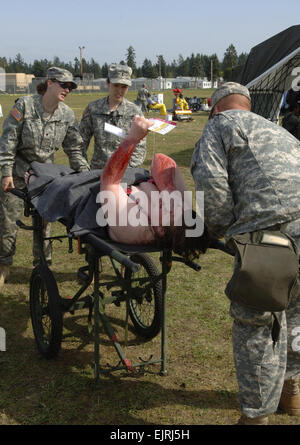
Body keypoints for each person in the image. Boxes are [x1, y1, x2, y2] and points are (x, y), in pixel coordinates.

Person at [191, 82, 300, 425]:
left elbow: (214, 193)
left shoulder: (218, 126)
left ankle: (255, 419)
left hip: (269, 239)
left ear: (214, 107)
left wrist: (214, 232)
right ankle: (292, 392)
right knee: (296, 313)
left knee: (257, 325)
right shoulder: (276, 129)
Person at [25, 116, 209, 260]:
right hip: (125, 182)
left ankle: (34, 178)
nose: (170, 203)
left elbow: (110, 182)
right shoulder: (180, 215)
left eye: (167, 209)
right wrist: (167, 189)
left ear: (160, 230)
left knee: (53, 181)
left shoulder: (132, 225)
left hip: (96, 196)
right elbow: (160, 160)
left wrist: (132, 139)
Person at [0, 66, 90, 290]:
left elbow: (74, 149)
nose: (67, 90)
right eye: (64, 85)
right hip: (18, 174)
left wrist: (86, 174)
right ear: (50, 83)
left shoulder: (66, 114)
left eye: (70, 87)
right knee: (8, 222)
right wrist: (6, 172)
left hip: (43, 176)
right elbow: (8, 141)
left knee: (45, 223)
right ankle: (3, 266)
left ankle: (41, 267)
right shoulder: (25, 106)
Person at [79, 64, 146, 170]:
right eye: (116, 85)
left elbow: (140, 145)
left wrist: (127, 169)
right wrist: (82, 169)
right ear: (108, 83)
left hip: (124, 173)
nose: (119, 91)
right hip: (97, 173)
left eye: (124, 87)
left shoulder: (135, 112)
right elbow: (80, 142)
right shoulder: (93, 109)